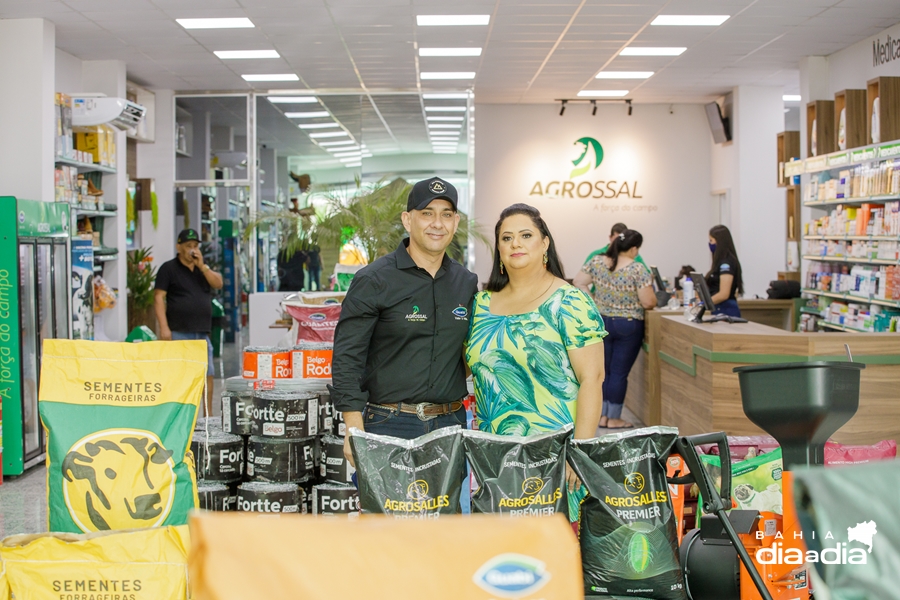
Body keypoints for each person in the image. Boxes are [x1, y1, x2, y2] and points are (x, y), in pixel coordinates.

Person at [466, 203, 606, 518]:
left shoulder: (569, 301)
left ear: (544, 243)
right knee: (502, 557)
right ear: (498, 249)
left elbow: (592, 379)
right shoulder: (480, 305)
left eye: (525, 235)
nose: (515, 243)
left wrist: (580, 451)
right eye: (506, 238)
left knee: (552, 557)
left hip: (557, 455)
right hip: (495, 458)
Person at [329, 177, 478, 465]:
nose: (438, 223)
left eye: (446, 215)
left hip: (450, 425)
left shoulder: (465, 283)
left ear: (456, 222)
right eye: (427, 214)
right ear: (408, 220)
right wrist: (352, 427)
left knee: (446, 511)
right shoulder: (374, 280)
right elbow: (347, 357)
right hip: (388, 424)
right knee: (387, 511)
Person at [574, 229, 656, 429]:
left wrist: (595, 303)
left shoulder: (598, 261)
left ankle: (601, 416)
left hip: (603, 322)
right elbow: (647, 302)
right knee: (619, 373)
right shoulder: (638, 270)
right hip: (628, 324)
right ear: (634, 248)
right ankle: (614, 418)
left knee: (605, 372)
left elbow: (578, 282)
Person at [153, 229, 223, 402]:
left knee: (208, 373)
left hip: (201, 332)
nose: (192, 249)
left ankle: (208, 417)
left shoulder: (203, 269)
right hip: (179, 331)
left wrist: (202, 266)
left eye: (195, 246)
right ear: (179, 247)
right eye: (188, 246)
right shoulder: (168, 269)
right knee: (179, 375)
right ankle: (179, 414)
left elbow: (218, 283)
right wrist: (164, 327)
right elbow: (159, 297)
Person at [706, 224, 743, 318]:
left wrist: (704, 304)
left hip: (726, 310)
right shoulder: (719, 262)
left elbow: (724, 294)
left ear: (719, 242)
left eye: (711, 241)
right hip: (718, 308)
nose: (710, 244)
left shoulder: (727, 263)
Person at [583, 222, 648, 269]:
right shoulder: (596, 255)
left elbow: (647, 275)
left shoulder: (634, 255)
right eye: (616, 239)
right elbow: (581, 279)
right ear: (610, 237)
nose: (618, 243)